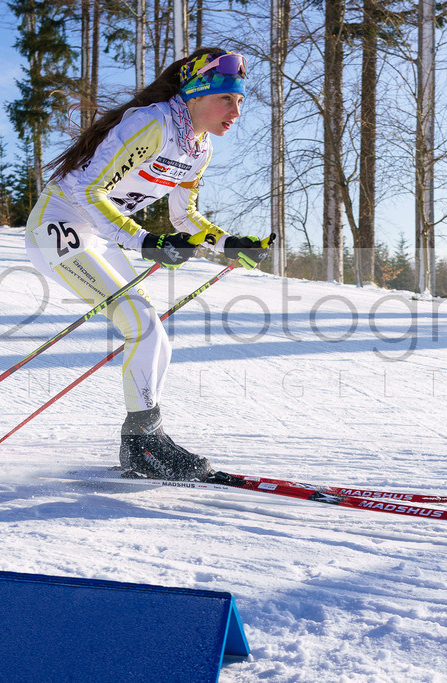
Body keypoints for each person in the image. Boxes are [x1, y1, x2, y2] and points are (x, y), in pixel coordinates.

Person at [24, 48, 273, 482]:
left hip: (101, 235)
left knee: (153, 331)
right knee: (139, 320)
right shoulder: (153, 123)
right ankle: (143, 445)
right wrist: (144, 240)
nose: (236, 111)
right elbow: (86, 190)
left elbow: (184, 217)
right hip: (58, 224)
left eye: (240, 102)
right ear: (197, 92)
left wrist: (228, 243)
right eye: (227, 99)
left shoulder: (199, 147)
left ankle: (146, 436)